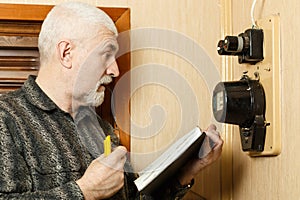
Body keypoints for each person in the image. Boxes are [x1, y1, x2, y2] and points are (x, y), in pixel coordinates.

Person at [0, 2, 223, 200]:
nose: (115, 70)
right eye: (106, 54)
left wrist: (187, 171)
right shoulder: (5, 119)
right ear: (66, 53)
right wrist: (84, 191)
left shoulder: (100, 128)